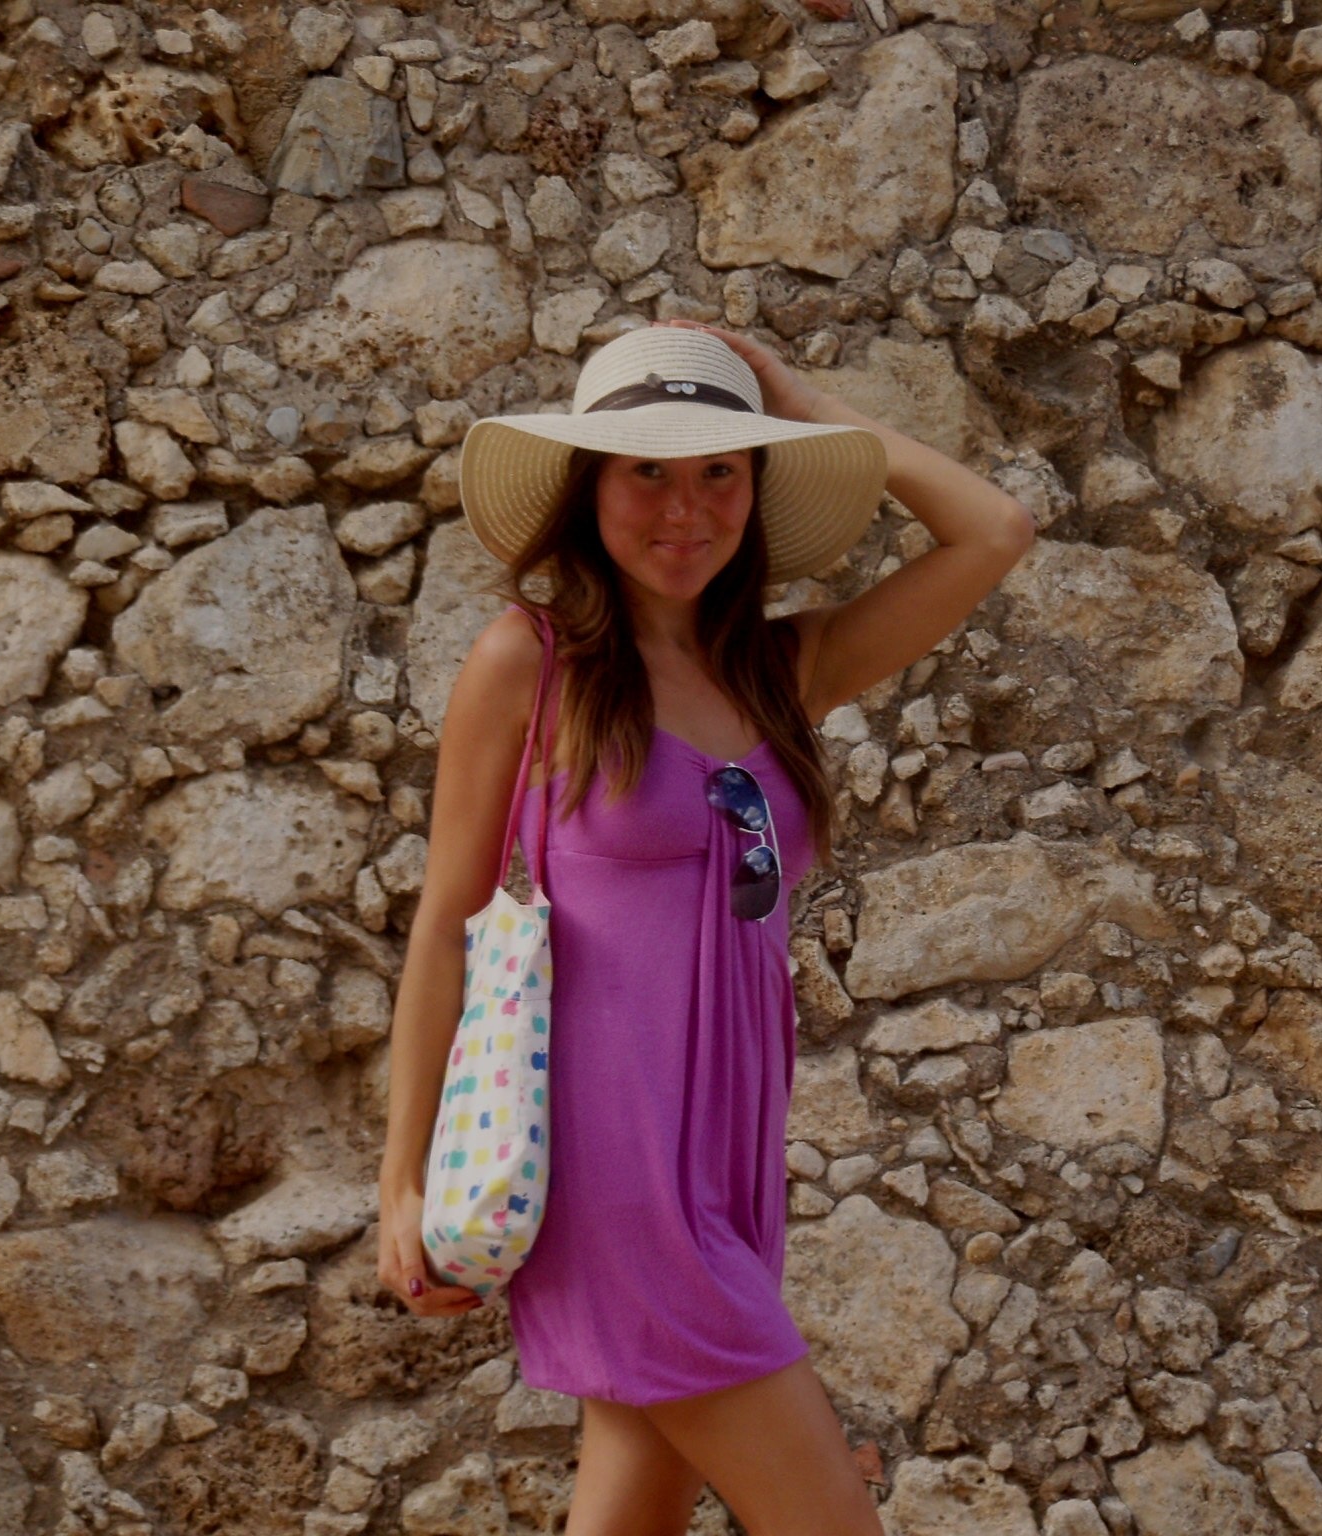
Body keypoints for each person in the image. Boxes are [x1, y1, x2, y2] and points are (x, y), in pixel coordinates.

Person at [375, 319, 1035, 1534]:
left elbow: (992, 531)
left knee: (630, 1515)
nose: (684, 510)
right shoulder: (530, 663)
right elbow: (444, 924)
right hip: (612, 1162)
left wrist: (805, 403)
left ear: (755, 487)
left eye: (718, 471)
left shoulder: (780, 672)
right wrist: (401, 1181)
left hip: (728, 1160)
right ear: (588, 487)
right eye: (647, 472)